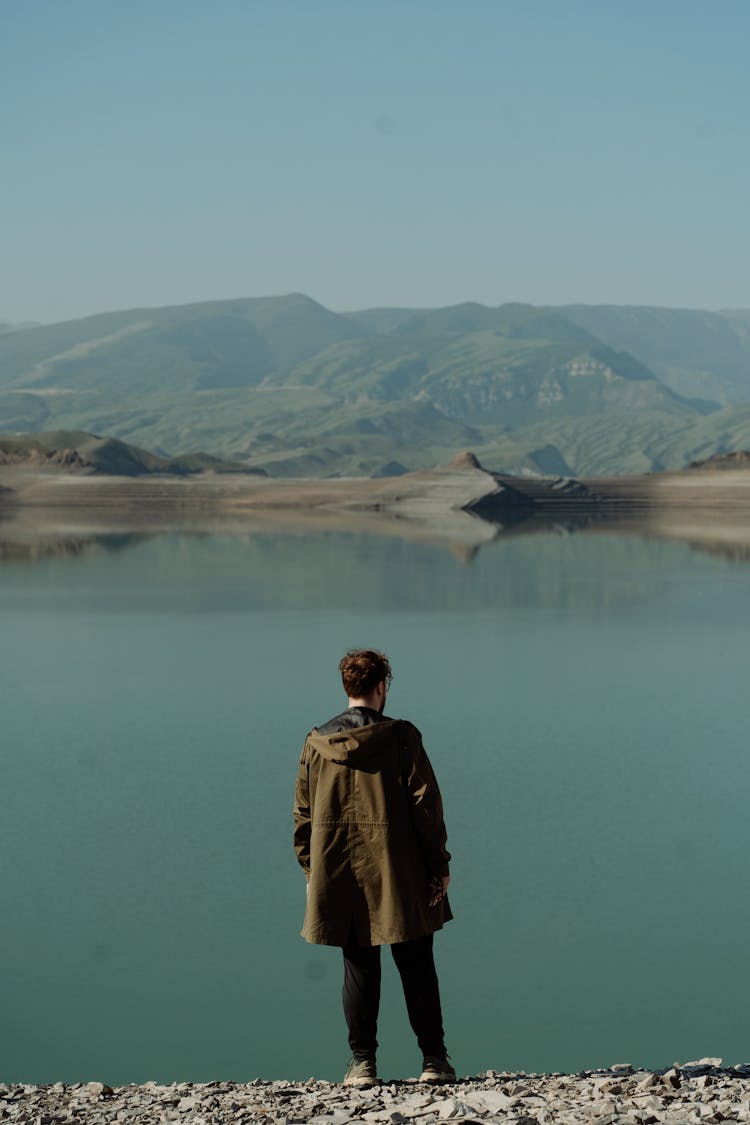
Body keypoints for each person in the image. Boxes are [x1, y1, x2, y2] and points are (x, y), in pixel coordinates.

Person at [293, 648, 455, 1087]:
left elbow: (303, 816)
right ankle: (434, 1062)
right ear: (381, 686)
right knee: (417, 962)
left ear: (348, 687)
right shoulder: (402, 737)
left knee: (359, 967)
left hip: (340, 870)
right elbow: (426, 807)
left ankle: (363, 1064)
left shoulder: (315, 743)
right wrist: (438, 865)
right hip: (399, 870)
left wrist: (313, 872)